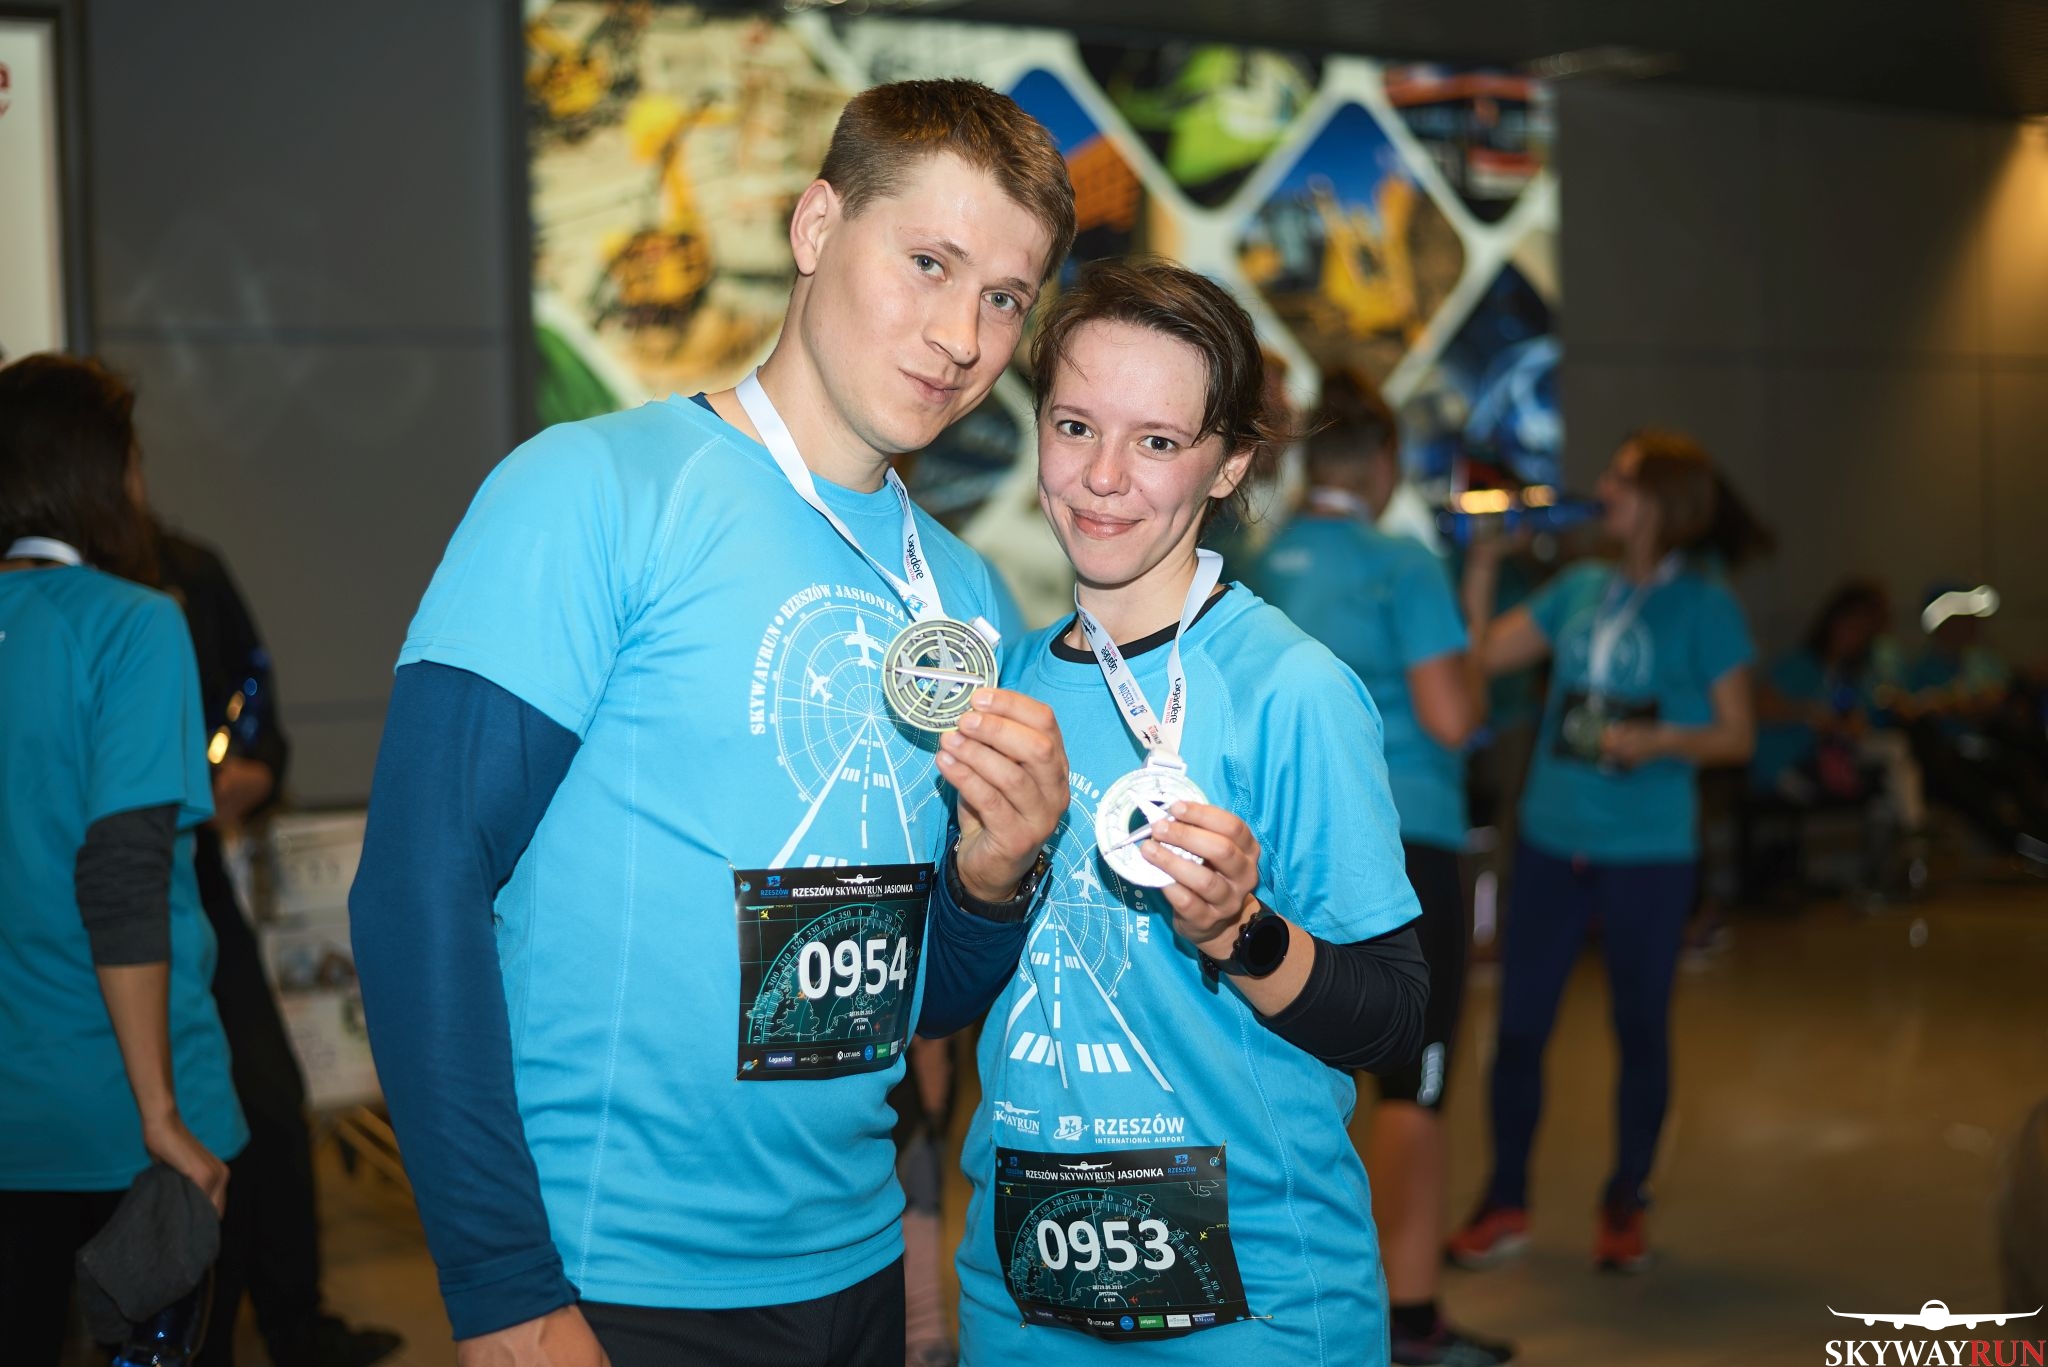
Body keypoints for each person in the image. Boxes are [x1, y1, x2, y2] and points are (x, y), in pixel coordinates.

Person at [349, 80, 1077, 1367]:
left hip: (853, 1258)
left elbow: (911, 1000)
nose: (960, 336)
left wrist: (988, 881)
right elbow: (418, 883)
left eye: (1004, 298)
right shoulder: (595, 489)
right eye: (928, 263)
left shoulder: (959, 595)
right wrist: (500, 1284)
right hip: (607, 1276)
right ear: (813, 226)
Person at [956, 257, 1429, 1365]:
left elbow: (1396, 1018)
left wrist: (1240, 932)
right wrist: (980, 885)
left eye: (1158, 441)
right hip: (1019, 1301)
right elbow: (943, 1005)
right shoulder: (1000, 691)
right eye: (1075, 426)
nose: (1102, 477)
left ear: (1230, 462)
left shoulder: (1290, 690)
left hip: (1252, 1312)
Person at [1248, 373, 1511, 1366]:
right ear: (1385, 464)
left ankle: (1295, 1307)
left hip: (1279, 854)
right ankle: (1410, 1319)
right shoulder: (1403, 564)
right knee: (1412, 1084)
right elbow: (1452, 716)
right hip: (1404, 846)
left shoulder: (1257, 560)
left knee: (1295, 1073)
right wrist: (1476, 586)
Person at [1449, 428, 1758, 1273]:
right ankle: (1505, 1199)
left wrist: (1659, 741)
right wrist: (1482, 567)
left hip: (1649, 854)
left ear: (1662, 501)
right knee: (1519, 1028)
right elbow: (1477, 661)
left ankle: (1626, 1200)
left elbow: (1736, 734)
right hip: (1552, 840)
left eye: (1622, 478)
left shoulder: (1705, 605)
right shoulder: (1581, 587)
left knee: (1640, 1027)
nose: (1603, 488)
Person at [0, 353, 247, 1363]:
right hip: (126, 1116)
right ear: (100, 475)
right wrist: (162, 1115)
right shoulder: (135, 625)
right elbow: (122, 875)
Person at [150, 518, 405, 1367]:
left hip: (194, 876)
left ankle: (292, 1321)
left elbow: (253, 701)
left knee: (263, 1096)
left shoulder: (187, 569)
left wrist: (250, 767)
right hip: (112, 889)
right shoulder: (85, 604)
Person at [1748, 579, 1925, 890]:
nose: (1855, 637)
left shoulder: (1851, 676)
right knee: (1888, 769)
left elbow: (1859, 725)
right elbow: (1759, 706)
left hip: (1831, 761)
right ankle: (1910, 840)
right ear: (1832, 622)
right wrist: (1811, 714)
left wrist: (1850, 724)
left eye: (1863, 631)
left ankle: (1902, 850)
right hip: (1784, 767)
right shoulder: (1801, 665)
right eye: (1850, 626)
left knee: (1890, 768)